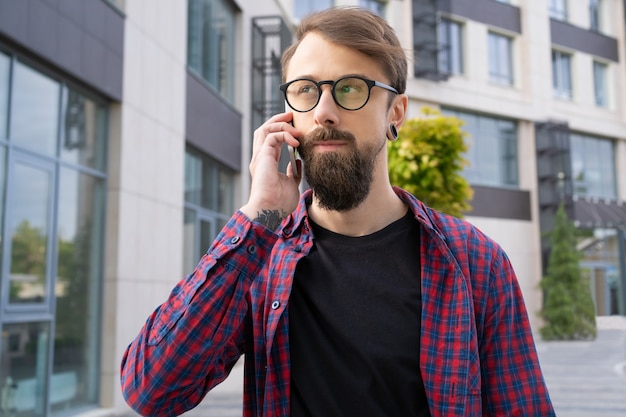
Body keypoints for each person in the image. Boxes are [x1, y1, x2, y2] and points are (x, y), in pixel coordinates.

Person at [121, 6, 555, 417]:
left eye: (350, 88)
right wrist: (260, 216)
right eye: (306, 90)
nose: (324, 112)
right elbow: (152, 391)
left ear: (396, 113)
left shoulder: (474, 262)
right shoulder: (261, 254)